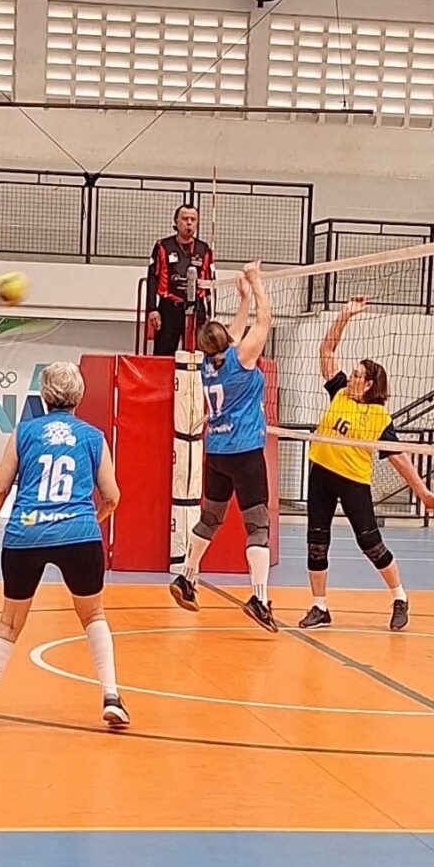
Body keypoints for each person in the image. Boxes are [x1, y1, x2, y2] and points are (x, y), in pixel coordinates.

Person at [0, 361, 127, 731]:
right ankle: (111, 696)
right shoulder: (93, 436)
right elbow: (113, 496)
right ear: (80, 396)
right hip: (79, 536)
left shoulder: (24, 431)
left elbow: (1, 488)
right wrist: (88, 521)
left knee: (9, 623)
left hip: (26, 535)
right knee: (93, 616)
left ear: (43, 394)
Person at [300, 296, 434, 632]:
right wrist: (344, 316)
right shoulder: (339, 393)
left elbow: (399, 459)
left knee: (371, 545)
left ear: (369, 384)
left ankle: (400, 597)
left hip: (353, 482)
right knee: (316, 544)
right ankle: (320, 607)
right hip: (321, 474)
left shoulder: (379, 417)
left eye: (358, 375)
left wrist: (422, 492)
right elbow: (327, 350)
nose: (351, 377)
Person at [169, 261, 277, 632]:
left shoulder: (206, 365)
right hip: (244, 452)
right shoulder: (240, 361)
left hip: (215, 452)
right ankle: (260, 598)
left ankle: (186, 576)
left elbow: (231, 334)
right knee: (258, 527)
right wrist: (258, 284)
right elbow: (265, 322)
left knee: (210, 518)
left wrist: (242, 298)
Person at [146, 204, 215, 356]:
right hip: (170, 308)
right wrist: (152, 309)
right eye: (185, 219)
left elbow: (209, 282)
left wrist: (210, 312)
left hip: (196, 307)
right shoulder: (163, 246)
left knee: (198, 354)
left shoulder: (204, 249)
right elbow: (152, 277)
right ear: (176, 222)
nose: (189, 223)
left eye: (193, 219)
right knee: (164, 354)